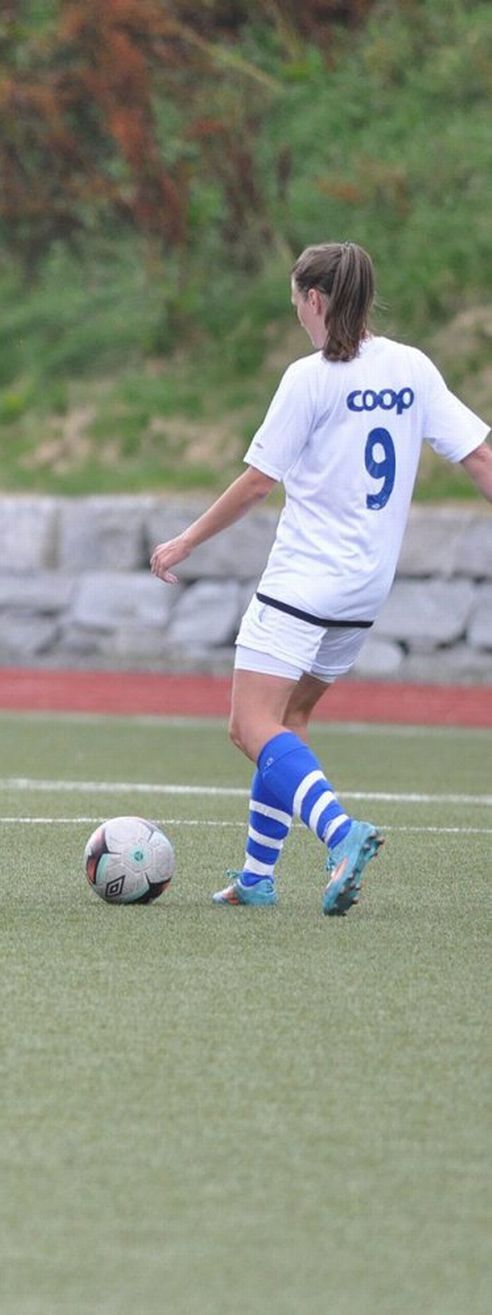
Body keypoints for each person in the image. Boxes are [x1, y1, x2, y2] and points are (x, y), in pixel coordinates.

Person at [151, 241, 491, 914]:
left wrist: (186, 540)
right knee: (291, 717)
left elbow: (256, 483)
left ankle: (342, 832)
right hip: (365, 591)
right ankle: (256, 876)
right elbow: (480, 456)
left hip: (303, 583)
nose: (298, 316)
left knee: (250, 726)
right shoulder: (412, 368)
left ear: (315, 300)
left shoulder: (308, 377)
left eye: (296, 303)